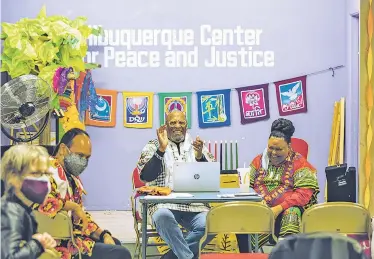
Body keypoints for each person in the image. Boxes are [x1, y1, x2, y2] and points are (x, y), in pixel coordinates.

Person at [32, 128, 132, 259]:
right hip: (58, 245)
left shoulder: (72, 178)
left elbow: (82, 219)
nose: (83, 161)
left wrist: (104, 235)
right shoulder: (44, 170)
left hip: (74, 239)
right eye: (80, 156)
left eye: (87, 158)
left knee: (115, 243)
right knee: (120, 254)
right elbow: (39, 200)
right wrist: (73, 206)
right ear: (63, 149)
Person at [136, 110, 216, 259]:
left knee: (211, 224)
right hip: (162, 204)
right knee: (162, 217)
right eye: (173, 122)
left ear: (187, 126)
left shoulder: (197, 146)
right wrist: (161, 150)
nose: (177, 126)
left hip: (195, 204)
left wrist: (200, 157)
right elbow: (145, 176)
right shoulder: (153, 145)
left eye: (181, 122)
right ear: (166, 126)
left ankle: (170, 257)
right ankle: (188, 257)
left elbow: (211, 177)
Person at [236, 118, 320, 252]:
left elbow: (303, 194)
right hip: (260, 209)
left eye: (279, 149)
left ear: (289, 147)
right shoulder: (259, 161)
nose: (273, 153)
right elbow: (247, 185)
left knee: (292, 212)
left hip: (287, 211)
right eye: (270, 148)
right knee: (241, 215)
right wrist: (256, 202)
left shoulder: (300, 163)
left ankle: (287, 254)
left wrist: (279, 208)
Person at [1, 145, 57, 259]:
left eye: (45, 174)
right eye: (36, 173)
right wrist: (37, 243)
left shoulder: (23, 208)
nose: (44, 180)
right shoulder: (10, 211)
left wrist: (40, 241)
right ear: (14, 177)